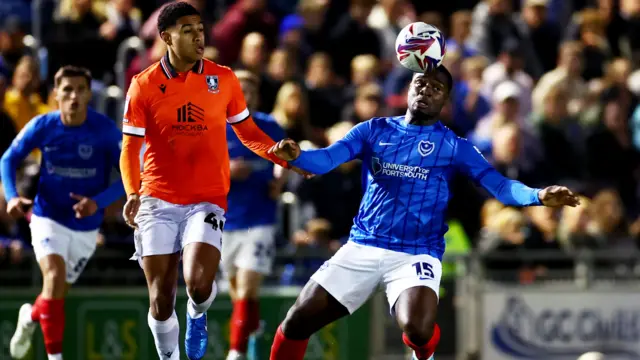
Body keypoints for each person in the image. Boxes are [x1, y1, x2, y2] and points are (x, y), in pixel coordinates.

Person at [266, 65, 580, 360]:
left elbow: (499, 186)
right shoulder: (373, 130)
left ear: (445, 100)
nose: (427, 90)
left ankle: (424, 344)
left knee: (416, 328)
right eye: (421, 83)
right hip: (363, 245)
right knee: (296, 322)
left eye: (437, 88)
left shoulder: (454, 146)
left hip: (416, 253)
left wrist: (537, 195)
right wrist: (296, 156)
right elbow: (323, 161)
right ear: (408, 90)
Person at [118, 3, 300, 360]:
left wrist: (278, 153)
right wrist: (132, 193)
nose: (198, 36)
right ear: (166, 37)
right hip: (157, 199)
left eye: (200, 28)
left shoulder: (225, 79)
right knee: (159, 298)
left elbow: (248, 132)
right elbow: (129, 147)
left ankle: (197, 314)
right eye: (188, 30)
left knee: (199, 286)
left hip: (206, 198)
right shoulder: (143, 85)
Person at [4, 65, 125, 360]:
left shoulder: (105, 130)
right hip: (48, 217)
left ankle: (29, 317)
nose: (73, 96)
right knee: (55, 277)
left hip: (86, 225)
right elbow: (8, 158)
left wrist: (99, 201)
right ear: (56, 94)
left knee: (54, 294)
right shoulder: (43, 125)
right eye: (67, 90)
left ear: (88, 95)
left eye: (80, 90)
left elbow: (129, 174)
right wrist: (12, 196)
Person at [223, 70, 287, 360]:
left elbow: (285, 159)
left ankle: (235, 352)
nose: (244, 95)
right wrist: (228, 172)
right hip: (223, 220)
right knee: (239, 293)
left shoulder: (270, 125)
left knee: (248, 286)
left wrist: (279, 180)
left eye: (250, 90)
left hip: (260, 218)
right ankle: (253, 334)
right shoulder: (214, 128)